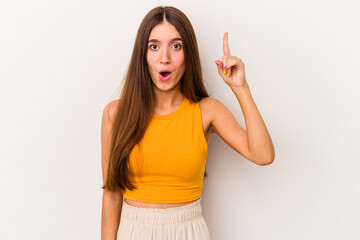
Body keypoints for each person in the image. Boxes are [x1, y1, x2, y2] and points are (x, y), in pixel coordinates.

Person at [100, 6, 275, 240]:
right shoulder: (116, 114)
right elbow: (111, 196)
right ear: (143, 55)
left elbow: (263, 155)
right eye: (154, 46)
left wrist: (240, 89)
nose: (165, 58)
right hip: (133, 231)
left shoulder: (207, 111)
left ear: (188, 53)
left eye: (176, 46)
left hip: (188, 232)